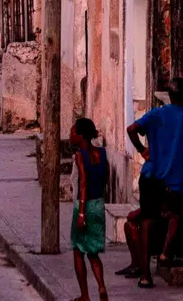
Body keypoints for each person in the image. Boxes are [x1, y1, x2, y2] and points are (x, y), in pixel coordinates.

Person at [124, 77, 183, 289]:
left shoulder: (157, 114)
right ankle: (166, 253)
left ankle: (146, 275)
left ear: (169, 94)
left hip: (151, 176)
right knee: (176, 215)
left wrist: (142, 150)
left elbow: (131, 128)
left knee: (147, 222)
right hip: (176, 180)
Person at [69, 118, 110, 299]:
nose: (70, 135)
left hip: (84, 205)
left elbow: (83, 182)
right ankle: (101, 287)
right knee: (93, 253)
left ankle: (85, 295)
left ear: (80, 136)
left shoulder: (80, 155)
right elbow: (105, 179)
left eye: (73, 132)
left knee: (78, 251)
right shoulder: (102, 153)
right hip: (98, 204)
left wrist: (82, 213)